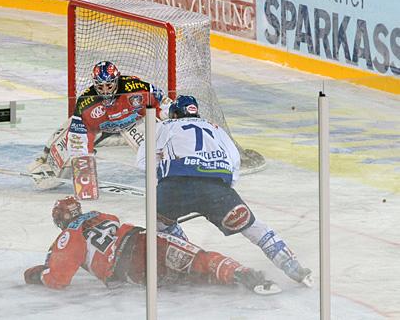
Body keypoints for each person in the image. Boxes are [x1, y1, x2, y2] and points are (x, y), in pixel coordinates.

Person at [136, 95, 313, 287]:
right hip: (216, 187)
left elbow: (142, 163)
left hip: (175, 187)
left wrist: (162, 170)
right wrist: (222, 192)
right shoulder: (215, 127)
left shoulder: (165, 126)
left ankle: (189, 256)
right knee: (253, 227)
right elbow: (234, 160)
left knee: (158, 225)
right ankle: (294, 267)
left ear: (174, 114)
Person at [24, 196, 281, 295]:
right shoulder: (101, 217)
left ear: (59, 220)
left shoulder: (66, 236)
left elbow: (59, 278)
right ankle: (243, 274)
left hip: (126, 274)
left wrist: (38, 275)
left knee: (178, 275)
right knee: (196, 259)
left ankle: (222, 276)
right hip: (140, 243)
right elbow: (111, 223)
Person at [26, 60, 170, 189]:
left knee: (152, 153)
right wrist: (83, 161)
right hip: (101, 127)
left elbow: (164, 103)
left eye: (109, 85)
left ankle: (169, 176)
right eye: (100, 87)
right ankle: (44, 158)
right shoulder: (86, 101)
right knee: (67, 137)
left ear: (117, 79)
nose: (105, 91)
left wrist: (171, 117)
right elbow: (78, 136)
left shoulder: (137, 88)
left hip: (133, 123)